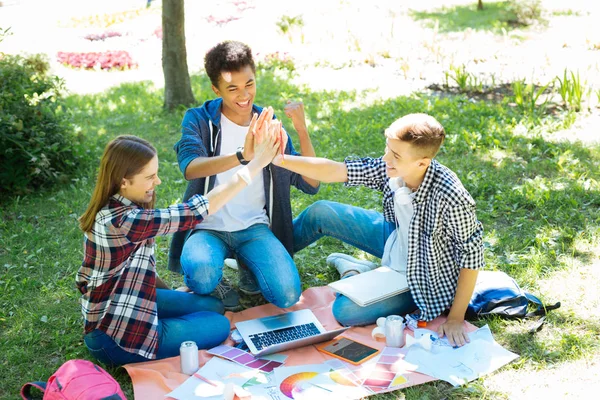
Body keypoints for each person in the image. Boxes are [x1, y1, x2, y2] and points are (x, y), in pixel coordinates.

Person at [77, 114, 281, 365]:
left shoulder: (119, 206)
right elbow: (197, 210)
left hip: (133, 301)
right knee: (218, 325)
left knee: (214, 306)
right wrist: (254, 164)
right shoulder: (124, 221)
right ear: (124, 181)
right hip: (114, 339)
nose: (157, 181)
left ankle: (170, 323)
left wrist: (172, 296)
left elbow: (136, 270)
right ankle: (164, 330)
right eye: (150, 177)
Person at [274, 113, 484, 347]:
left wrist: (456, 317)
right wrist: (278, 159)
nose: (385, 158)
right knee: (321, 212)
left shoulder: (452, 196)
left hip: (422, 277)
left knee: (344, 310)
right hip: (396, 240)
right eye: (387, 149)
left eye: (395, 155)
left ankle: (355, 272)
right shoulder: (391, 167)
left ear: (422, 163)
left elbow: (471, 257)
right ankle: (271, 261)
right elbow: (335, 170)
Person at [168, 40, 319, 311]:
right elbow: (190, 166)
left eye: (249, 84)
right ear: (216, 89)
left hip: (254, 228)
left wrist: (302, 130)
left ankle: (248, 266)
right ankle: (220, 283)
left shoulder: (268, 125)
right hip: (207, 226)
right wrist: (242, 156)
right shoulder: (199, 119)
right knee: (201, 276)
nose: (244, 95)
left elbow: (310, 183)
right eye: (232, 88)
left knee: (286, 294)